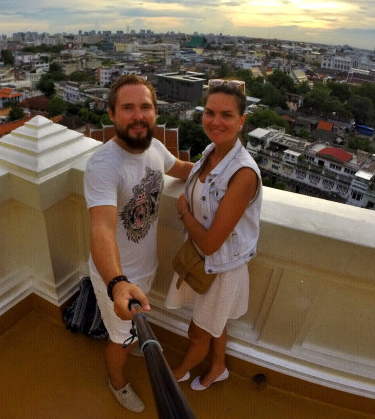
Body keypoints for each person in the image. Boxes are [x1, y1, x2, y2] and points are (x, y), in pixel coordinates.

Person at [84, 74, 193, 413]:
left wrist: (224, 171)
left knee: (130, 334)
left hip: (145, 267)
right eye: (127, 108)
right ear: (112, 114)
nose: (137, 116)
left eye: (145, 107)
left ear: (155, 113)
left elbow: (181, 168)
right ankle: (117, 381)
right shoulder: (104, 165)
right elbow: (102, 228)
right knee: (122, 340)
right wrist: (117, 283)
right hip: (118, 278)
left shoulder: (155, 148)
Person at [166, 78, 263, 391]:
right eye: (210, 112)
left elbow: (210, 243)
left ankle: (177, 373)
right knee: (214, 323)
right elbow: (192, 173)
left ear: (242, 121)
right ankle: (218, 367)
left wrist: (183, 212)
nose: (215, 121)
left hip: (221, 267)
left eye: (226, 115)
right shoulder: (213, 151)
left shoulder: (243, 173)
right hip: (205, 262)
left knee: (198, 332)